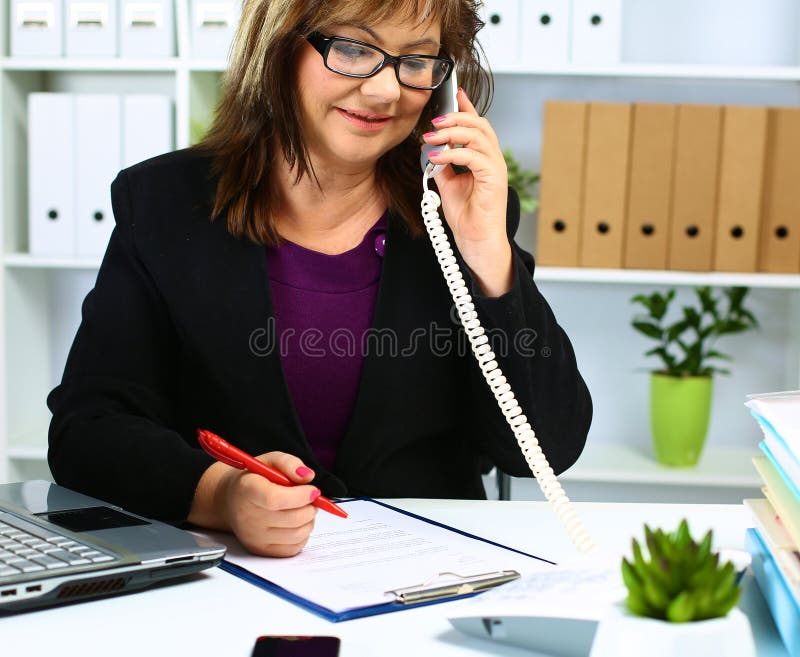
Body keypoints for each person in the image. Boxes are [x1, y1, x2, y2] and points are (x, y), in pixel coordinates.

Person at [47, 0, 592, 557]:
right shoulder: (165, 203)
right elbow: (87, 428)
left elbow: (546, 448)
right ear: (278, 49)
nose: (386, 91)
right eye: (354, 49)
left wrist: (485, 251)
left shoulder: (460, 209)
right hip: (226, 581)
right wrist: (223, 494)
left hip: (424, 579)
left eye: (417, 61)